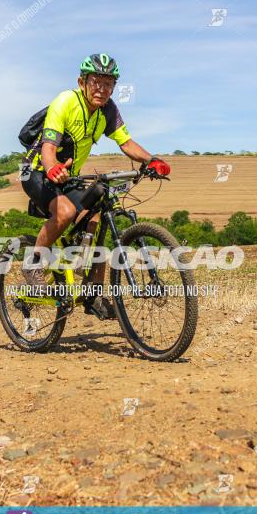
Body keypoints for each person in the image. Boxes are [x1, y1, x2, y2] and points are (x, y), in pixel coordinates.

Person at [20, 53, 170, 320]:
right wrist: (52, 167)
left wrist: (152, 160)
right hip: (36, 170)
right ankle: (32, 265)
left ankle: (93, 293)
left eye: (108, 83)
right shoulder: (65, 102)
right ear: (82, 81)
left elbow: (126, 143)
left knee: (98, 216)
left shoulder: (108, 110)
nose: (102, 88)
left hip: (69, 176)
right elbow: (48, 147)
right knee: (65, 212)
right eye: (96, 81)